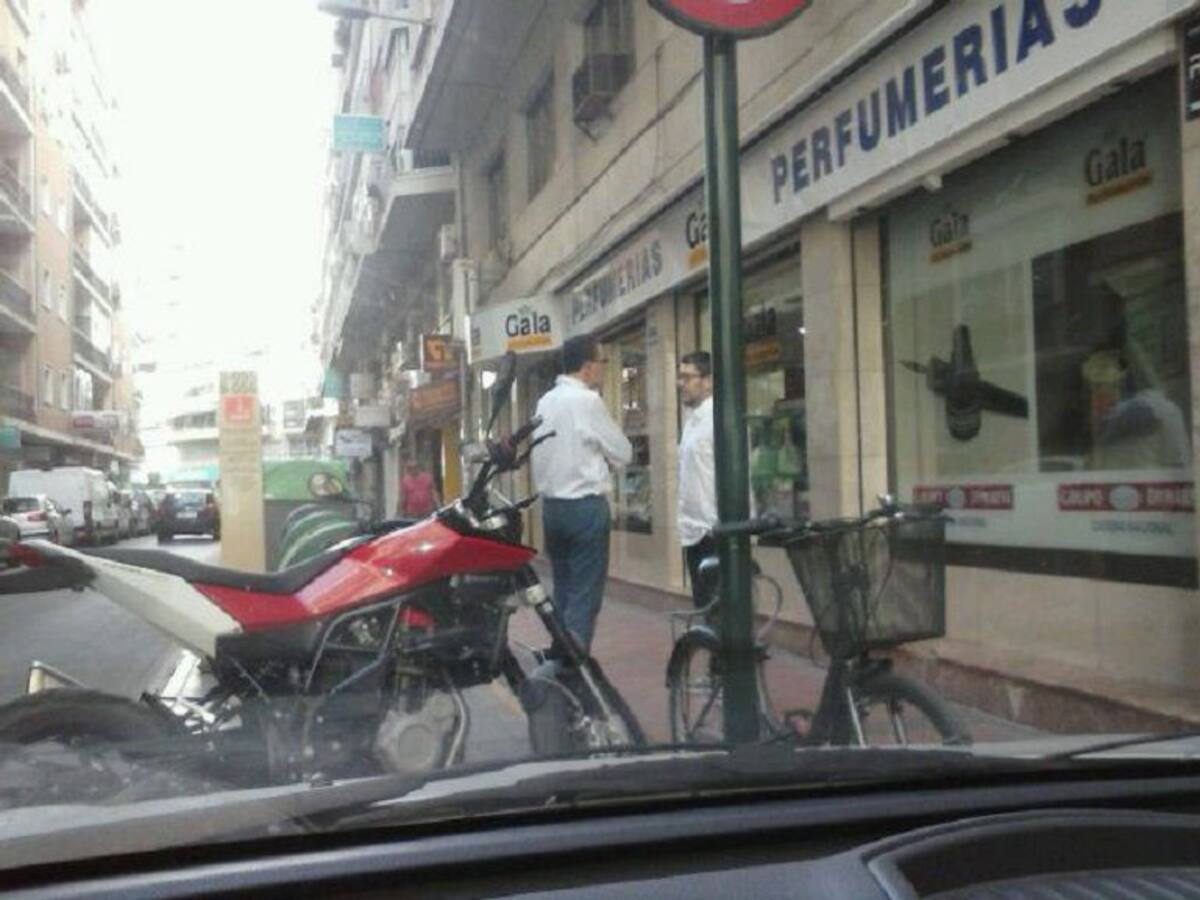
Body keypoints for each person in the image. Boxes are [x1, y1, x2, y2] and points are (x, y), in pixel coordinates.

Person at [531, 335, 632, 652]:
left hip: (552, 509)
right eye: (602, 362)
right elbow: (623, 452)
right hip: (584, 508)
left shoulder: (545, 401)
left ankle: (559, 652)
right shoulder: (587, 401)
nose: (603, 368)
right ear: (587, 367)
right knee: (585, 592)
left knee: (563, 588)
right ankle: (574, 663)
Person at [676, 351, 719, 610]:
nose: (681, 384)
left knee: (720, 612)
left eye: (687, 377)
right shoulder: (692, 421)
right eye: (679, 378)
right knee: (706, 611)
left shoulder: (718, 420)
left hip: (714, 531)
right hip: (693, 532)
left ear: (708, 380)